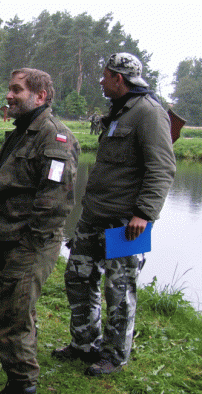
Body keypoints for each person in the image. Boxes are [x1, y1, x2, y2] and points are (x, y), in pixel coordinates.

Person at [53, 52, 176, 376]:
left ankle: (114, 355)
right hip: (93, 215)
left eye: (105, 76)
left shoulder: (149, 113)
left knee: (119, 291)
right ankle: (84, 343)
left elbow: (162, 168)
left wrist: (145, 214)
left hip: (127, 224)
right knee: (78, 277)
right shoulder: (118, 112)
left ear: (118, 78)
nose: (101, 82)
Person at [0, 68, 79, 394]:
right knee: (12, 312)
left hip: (29, 243)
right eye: (9, 88)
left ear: (40, 96)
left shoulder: (54, 137)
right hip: (8, 236)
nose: (9, 95)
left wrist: (29, 246)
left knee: (14, 321)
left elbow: (54, 204)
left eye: (17, 90)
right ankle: (15, 390)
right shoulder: (25, 130)